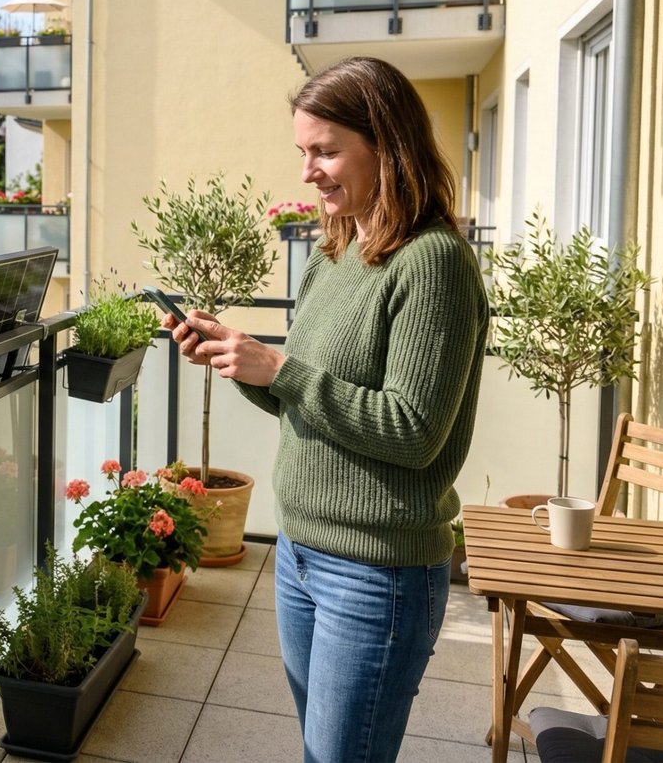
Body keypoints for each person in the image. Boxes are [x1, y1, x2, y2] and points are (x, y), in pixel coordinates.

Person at [163, 56, 489, 763]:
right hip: (301, 554)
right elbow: (306, 400)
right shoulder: (335, 252)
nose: (308, 170)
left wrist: (282, 368)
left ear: (387, 144)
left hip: (377, 574)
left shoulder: (432, 262)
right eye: (303, 152)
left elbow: (414, 431)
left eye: (325, 150)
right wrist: (236, 358)